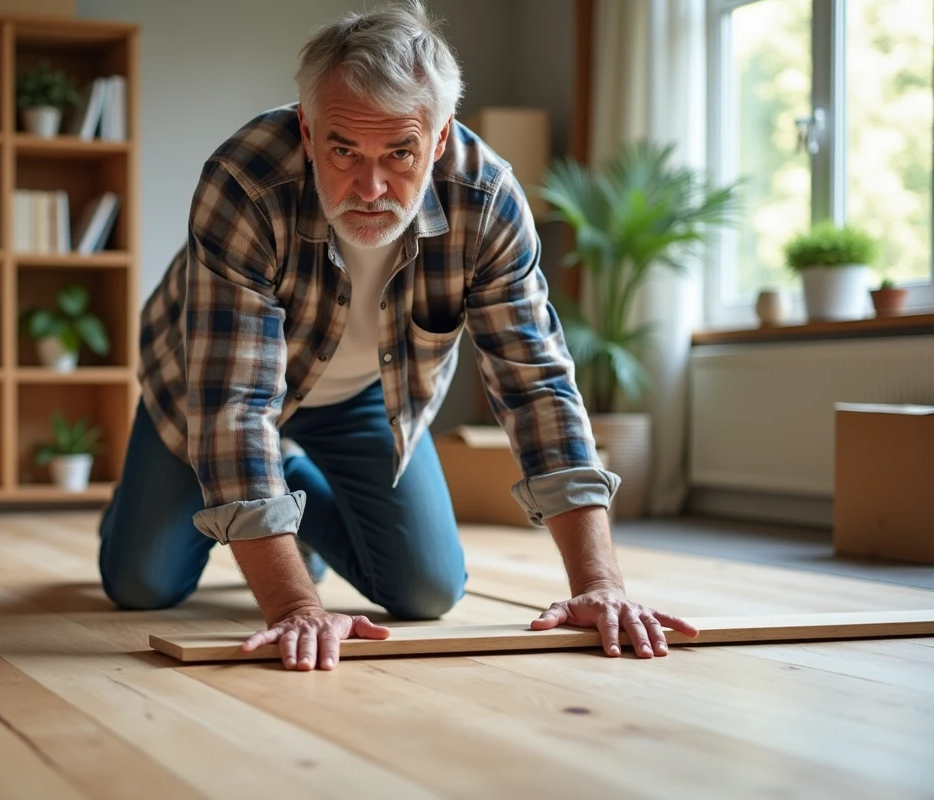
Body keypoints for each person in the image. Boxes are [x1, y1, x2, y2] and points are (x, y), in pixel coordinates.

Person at [99, 0, 699, 670]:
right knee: (141, 585)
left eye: (400, 152)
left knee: (428, 591)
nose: (371, 185)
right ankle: (200, 503)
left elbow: (537, 385)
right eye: (343, 150)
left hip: (365, 399)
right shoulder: (245, 179)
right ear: (306, 128)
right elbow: (235, 408)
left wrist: (600, 586)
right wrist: (297, 608)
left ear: (439, 139)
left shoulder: (489, 199)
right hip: (203, 392)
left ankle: (285, 477)